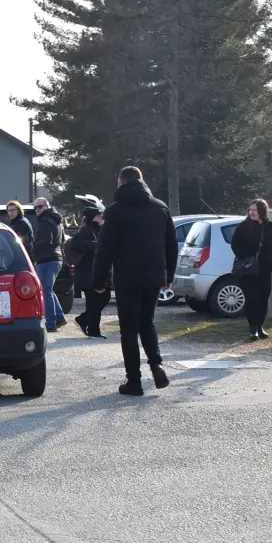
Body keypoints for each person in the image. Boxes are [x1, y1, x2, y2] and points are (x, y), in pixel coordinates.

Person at [91, 167, 175, 396]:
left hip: (127, 277)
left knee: (128, 329)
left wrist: (98, 280)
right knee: (147, 323)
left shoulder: (115, 211)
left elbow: (104, 249)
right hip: (153, 276)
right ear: (142, 181)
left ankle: (134, 381)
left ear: (121, 183)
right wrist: (169, 276)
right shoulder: (161, 208)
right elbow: (171, 244)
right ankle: (156, 364)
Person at [230, 199, 272, 341]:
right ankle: (252, 328)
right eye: (250, 210)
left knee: (263, 298)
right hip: (247, 270)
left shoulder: (270, 227)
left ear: (262, 211)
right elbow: (235, 244)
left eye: (255, 210)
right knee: (252, 299)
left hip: (265, 270)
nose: (252, 212)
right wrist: (246, 257)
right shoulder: (243, 226)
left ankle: (260, 326)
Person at [65, 205, 108, 338]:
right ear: (91, 217)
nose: (101, 218)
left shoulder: (100, 230)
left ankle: (83, 320)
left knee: (104, 298)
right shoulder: (85, 231)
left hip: (99, 272)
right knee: (93, 301)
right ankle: (94, 330)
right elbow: (76, 244)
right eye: (98, 215)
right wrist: (95, 246)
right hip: (88, 273)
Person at [30, 197, 67, 331]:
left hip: (46, 260)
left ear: (47, 206)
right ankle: (59, 317)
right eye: (36, 207)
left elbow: (46, 240)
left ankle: (51, 324)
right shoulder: (56, 220)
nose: (37, 210)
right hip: (56, 259)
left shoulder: (45, 221)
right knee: (49, 290)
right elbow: (61, 240)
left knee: (46, 291)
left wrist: (34, 248)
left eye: (40, 207)